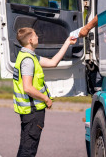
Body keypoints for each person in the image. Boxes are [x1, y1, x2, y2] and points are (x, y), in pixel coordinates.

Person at [13, 27, 77, 157]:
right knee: (28, 151)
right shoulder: (28, 61)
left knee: (26, 147)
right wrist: (45, 98)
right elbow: (28, 87)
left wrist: (67, 42)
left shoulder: (28, 56)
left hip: (30, 112)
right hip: (33, 112)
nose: (38, 37)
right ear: (30, 40)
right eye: (36, 35)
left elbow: (53, 62)